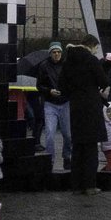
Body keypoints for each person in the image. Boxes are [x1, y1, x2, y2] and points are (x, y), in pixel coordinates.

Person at [62, 38, 110, 192]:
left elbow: (61, 84)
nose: (96, 51)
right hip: (91, 106)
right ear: (91, 46)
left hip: (75, 107)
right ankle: (90, 185)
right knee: (90, 148)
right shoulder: (91, 60)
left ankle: (76, 185)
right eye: (96, 47)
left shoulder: (69, 60)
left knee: (77, 147)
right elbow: (103, 80)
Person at [35, 42, 71, 174]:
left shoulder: (67, 66)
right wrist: (49, 91)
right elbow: (39, 85)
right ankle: (50, 160)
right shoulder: (44, 66)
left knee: (68, 134)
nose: (57, 54)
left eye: (59, 52)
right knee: (50, 134)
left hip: (65, 102)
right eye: (54, 52)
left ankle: (67, 156)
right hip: (50, 103)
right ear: (50, 53)